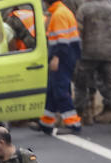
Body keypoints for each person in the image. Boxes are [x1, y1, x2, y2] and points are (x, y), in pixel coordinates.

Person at [74, 0, 111, 127]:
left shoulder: (84, 9)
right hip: (109, 54)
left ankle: (82, 115)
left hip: (88, 54)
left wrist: (76, 51)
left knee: (81, 84)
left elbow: (78, 33)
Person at [40, 0, 83, 134]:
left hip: (63, 58)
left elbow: (62, 41)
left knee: (60, 90)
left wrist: (56, 57)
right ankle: (46, 123)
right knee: (52, 90)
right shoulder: (61, 11)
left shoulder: (59, 14)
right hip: (66, 56)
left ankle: (73, 123)